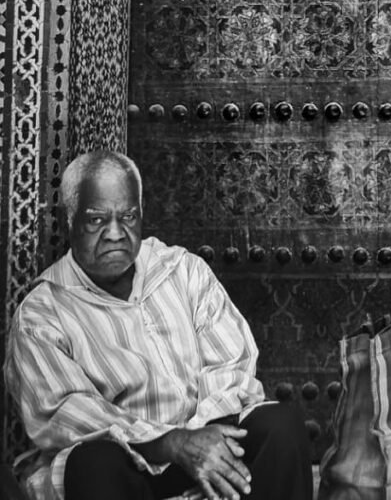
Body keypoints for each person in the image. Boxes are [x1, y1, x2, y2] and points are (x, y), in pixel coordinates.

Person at [4, 150, 313, 500]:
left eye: (128, 217)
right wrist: (171, 444)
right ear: (68, 222)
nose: (115, 233)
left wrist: (199, 441)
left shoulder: (183, 270)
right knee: (92, 463)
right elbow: (68, 417)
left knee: (280, 425)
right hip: (130, 467)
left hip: (206, 442)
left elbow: (232, 367)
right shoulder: (42, 315)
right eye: (96, 220)